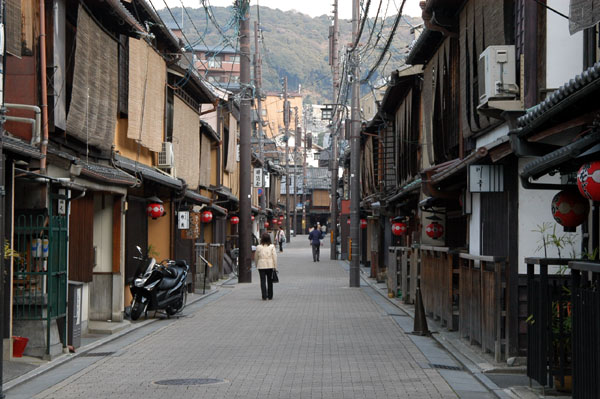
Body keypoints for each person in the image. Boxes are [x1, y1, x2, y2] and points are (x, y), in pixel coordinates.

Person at [255, 232, 277, 300]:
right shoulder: (272, 246)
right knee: (270, 281)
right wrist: (275, 266)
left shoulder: (258, 247)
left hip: (261, 265)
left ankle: (264, 295)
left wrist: (256, 264)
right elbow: (275, 257)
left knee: (262, 281)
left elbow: (256, 257)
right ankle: (270, 295)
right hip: (270, 265)